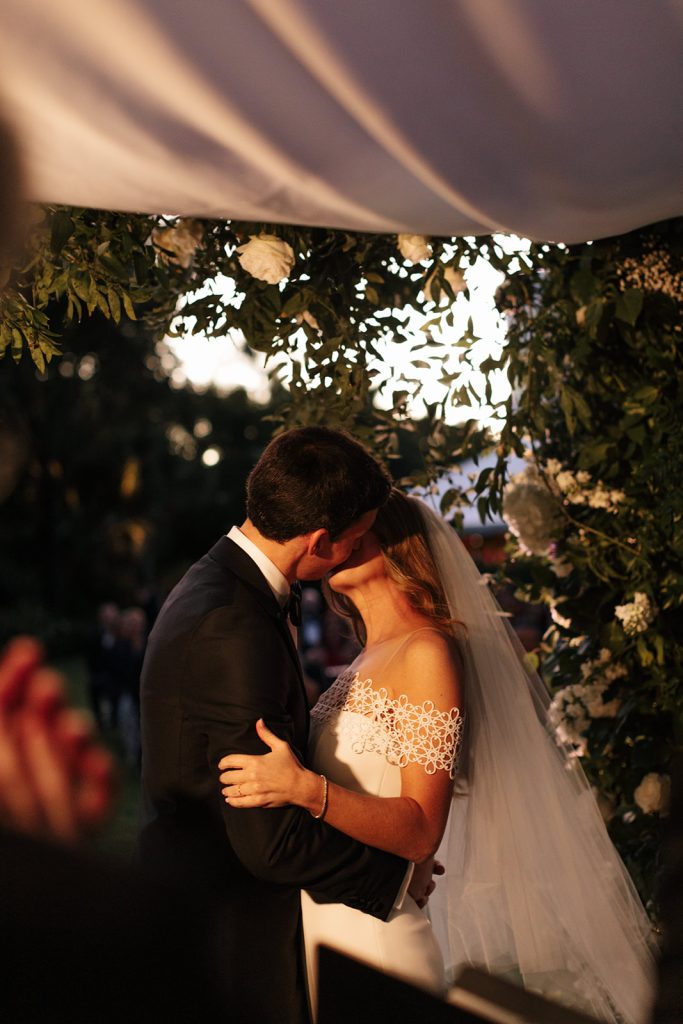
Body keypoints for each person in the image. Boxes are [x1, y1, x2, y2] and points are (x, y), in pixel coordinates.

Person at [218, 489, 657, 1024]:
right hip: (331, 925)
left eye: (354, 532)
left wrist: (307, 790)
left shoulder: (427, 651)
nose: (337, 542)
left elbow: (423, 827)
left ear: (397, 544)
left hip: (376, 943)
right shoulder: (366, 657)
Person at [139, 428, 434, 1024]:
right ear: (321, 541)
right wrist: (398, 877)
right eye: (355, 540)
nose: (357, 552)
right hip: (233, 929)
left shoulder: (214, 584)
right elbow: (269, 843)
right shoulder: (233, 623)